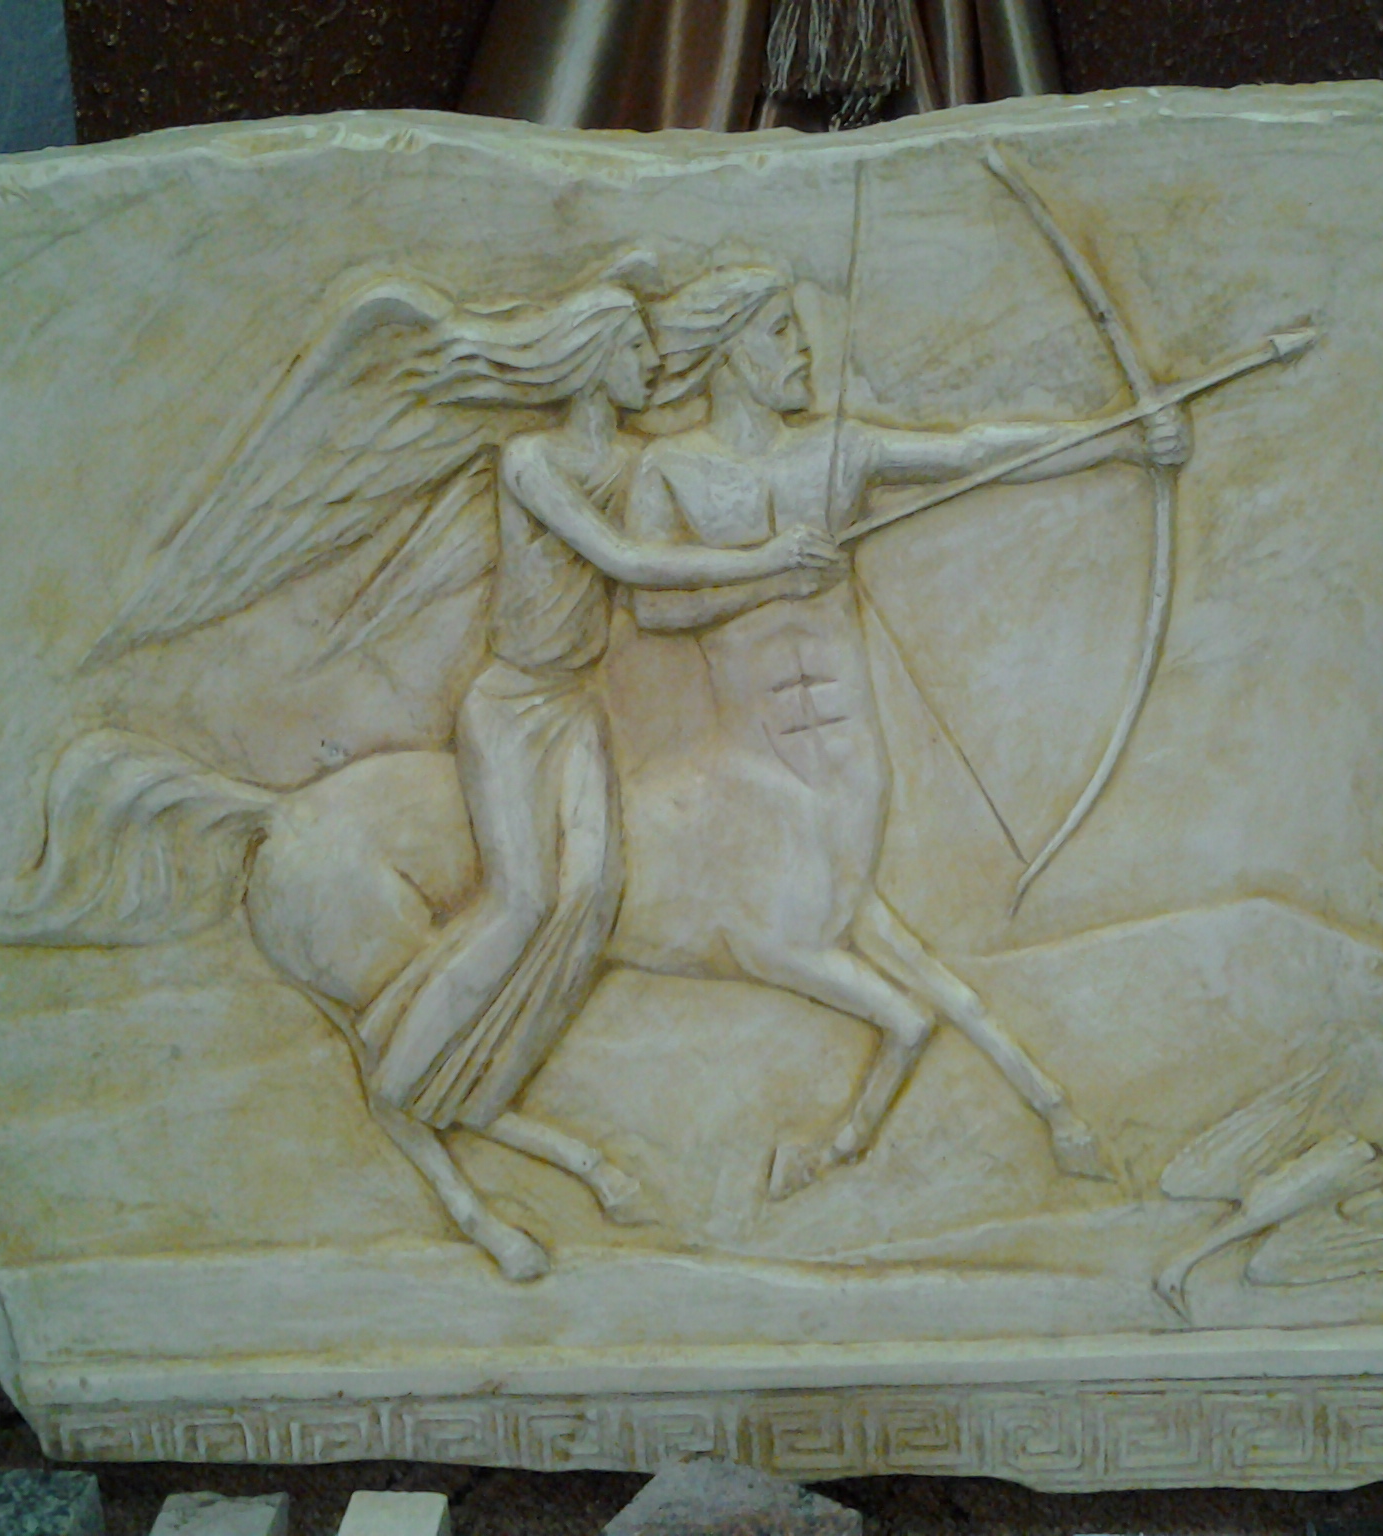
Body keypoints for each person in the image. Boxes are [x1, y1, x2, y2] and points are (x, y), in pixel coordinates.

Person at [619, 263, 1189, 1195]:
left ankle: (1014, 1106)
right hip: (757, 769)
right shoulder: (669, 471)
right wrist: (767, 575)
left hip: (848, 766)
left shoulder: (837, 452)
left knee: (860, 919)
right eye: (779, 333)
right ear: (727, 351)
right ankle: (1003, 1108)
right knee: (839, 939)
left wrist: (1121, 439)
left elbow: (972, 452)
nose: (803, 351)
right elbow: (649, 606)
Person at [348, 271, 838, 1275]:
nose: (649, 364)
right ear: (588, 361)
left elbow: (664, 571)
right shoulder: (531, 462)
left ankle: (481, 1082)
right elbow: (627, 562)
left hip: (571, 706)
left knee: (594, 893)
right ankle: (399, 1072)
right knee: (524, 900)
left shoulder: (631, 462)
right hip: (509, 708)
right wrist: (767, 560)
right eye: (631, 350)